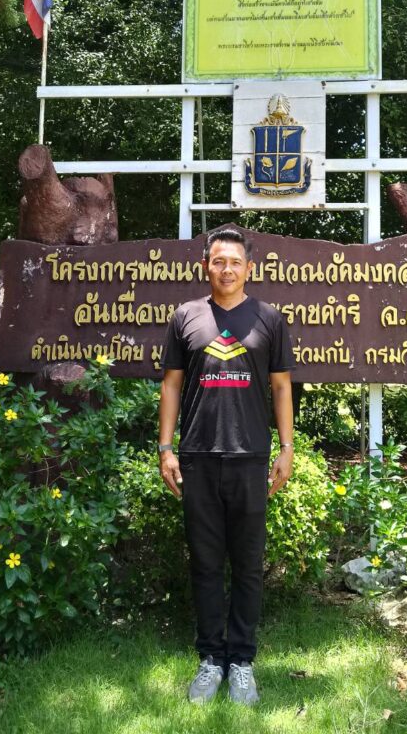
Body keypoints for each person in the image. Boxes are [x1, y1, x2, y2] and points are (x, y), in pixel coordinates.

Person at [158, 227, 294, 706]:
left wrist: (286, 447)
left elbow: (281, 387)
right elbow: (172, 384)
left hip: (250, 457)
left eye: (235, 262)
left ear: (249, 268)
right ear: (206, 266)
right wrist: (166, 447)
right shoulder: (185, 317)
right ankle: (211, 659)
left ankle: (242, 662)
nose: (227, 269)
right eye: (219, 261)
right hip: (196, 457)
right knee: (206, 563)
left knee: (249, 566)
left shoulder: (269, 319)